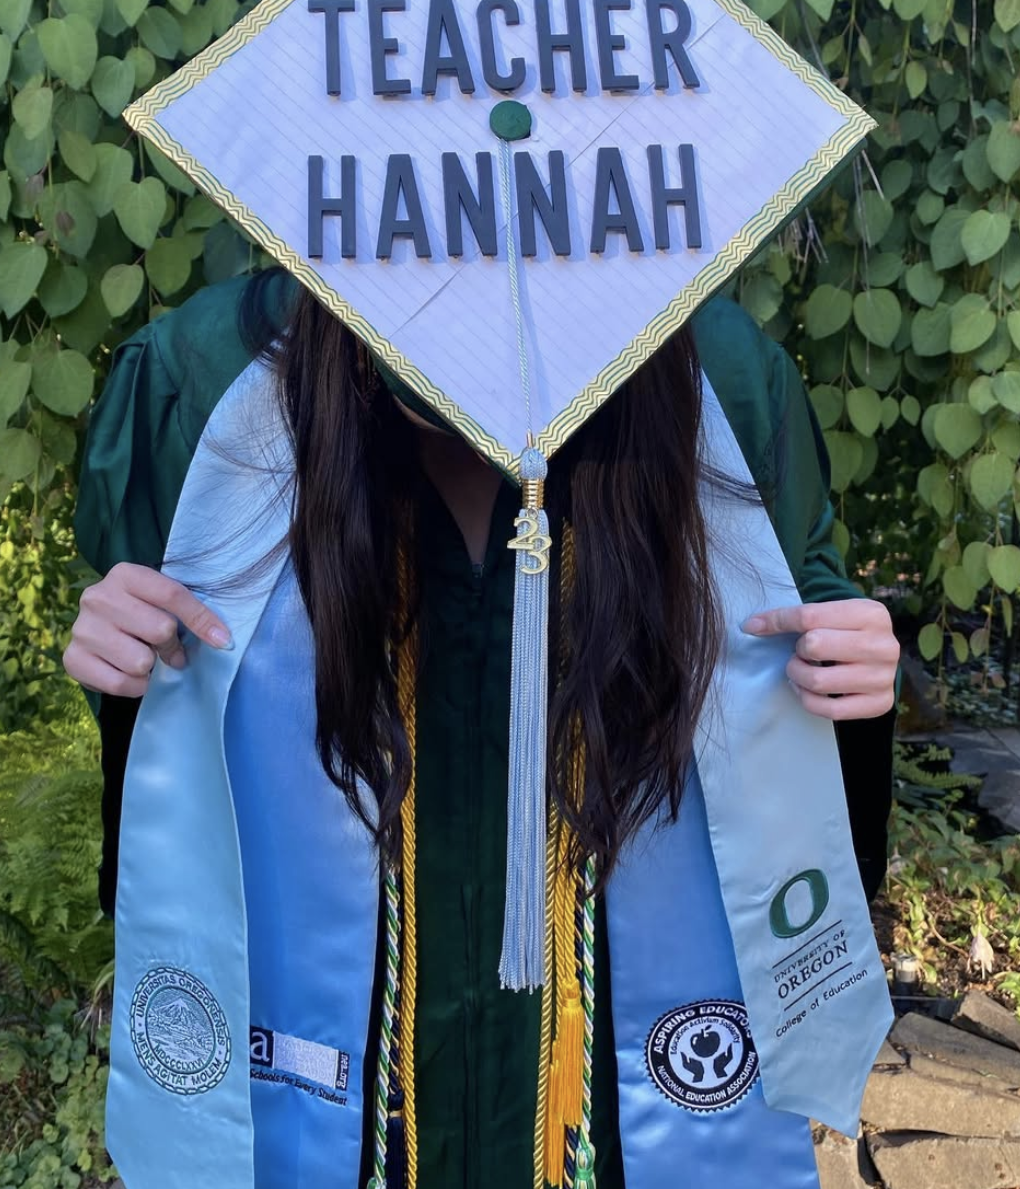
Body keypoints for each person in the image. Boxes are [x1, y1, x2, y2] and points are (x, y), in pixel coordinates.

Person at [64, 268, 898, 1189]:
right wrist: (129, 672)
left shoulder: (714, 375)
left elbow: (801, 775)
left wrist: (850, 690)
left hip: (615, 1092)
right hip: (339, 1093)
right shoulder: (212, 377)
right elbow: (166, 809)